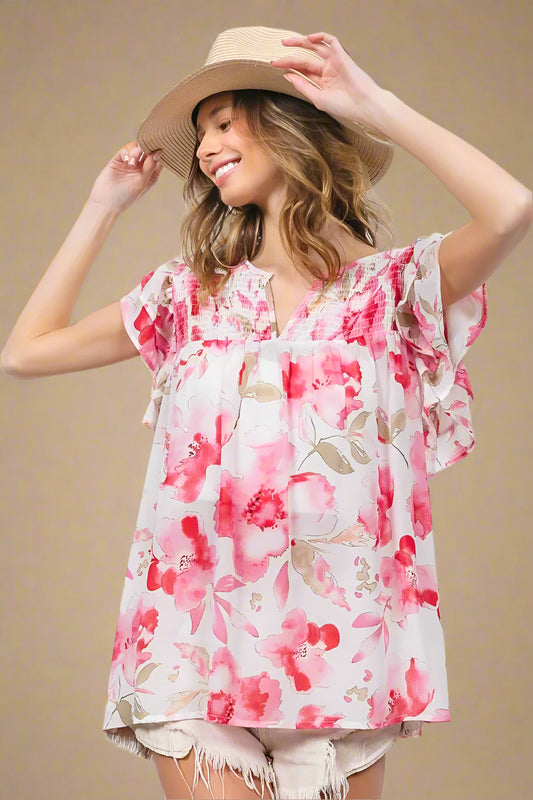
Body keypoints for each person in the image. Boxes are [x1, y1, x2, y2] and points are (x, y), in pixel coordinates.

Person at [1, 24, 531, 800]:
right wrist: (100, 207)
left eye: (223, 121)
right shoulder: (189, 295)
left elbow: (511, 208)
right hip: (191, 651)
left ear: (288, 123)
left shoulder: (389, 293)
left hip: (341, 660)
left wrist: (372, 103)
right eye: (201, 130)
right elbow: (25, 352)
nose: (206, 145)